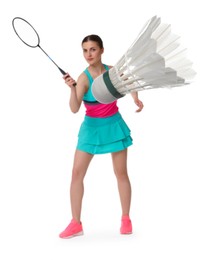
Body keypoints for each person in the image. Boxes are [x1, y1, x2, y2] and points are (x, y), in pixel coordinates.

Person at [59, 34, 144, 239]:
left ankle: (126, 219)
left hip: (114, 125)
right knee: (76, 173)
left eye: (93, 49)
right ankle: (76, 223)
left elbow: (128, 81)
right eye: (85, 50)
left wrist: (135, 98)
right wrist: (72, 89)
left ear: (102, 50)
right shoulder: (83, 78)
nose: (88, 54)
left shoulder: (111, 71)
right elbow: (74, 108)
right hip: (91, 128)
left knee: (121, 173)